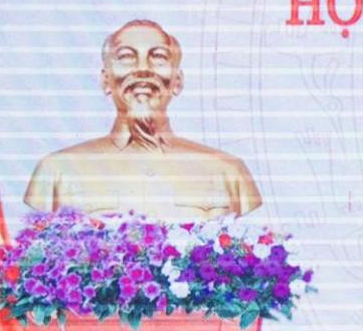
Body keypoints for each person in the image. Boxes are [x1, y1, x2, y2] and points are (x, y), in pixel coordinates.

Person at [24, 20, 261, 219]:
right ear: (106, 81)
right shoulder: (57, 171)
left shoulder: (228, 172)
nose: (143, 69)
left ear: (177, 81)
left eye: (158, 57)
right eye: (127, 57)